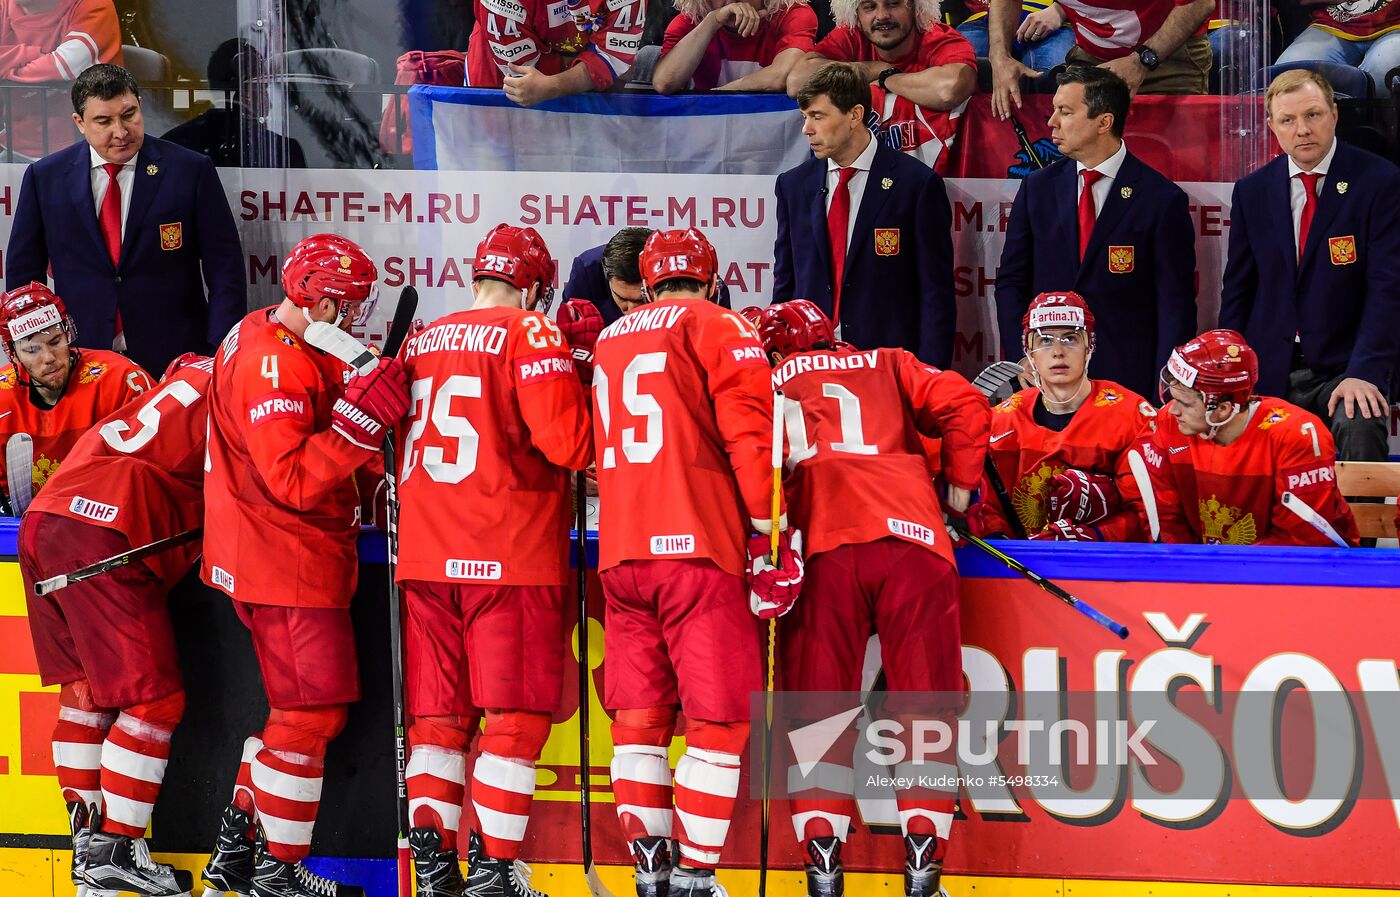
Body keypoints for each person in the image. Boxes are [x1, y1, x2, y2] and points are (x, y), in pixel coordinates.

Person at [592, 227, 801, 897]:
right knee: (718, 719)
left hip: (622, 550)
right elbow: (750, 435)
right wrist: (770, 531)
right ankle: (693, 875)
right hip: (695, 550)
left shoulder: (608, 338)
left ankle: (651, 873)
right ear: (712, 279)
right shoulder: (721, 324)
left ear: (647, 284)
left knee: (639, 720)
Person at [199, 234, 409, 897]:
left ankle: (238, 849)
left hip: (266, 557)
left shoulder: (265, 333)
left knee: (297, 711)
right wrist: (358, 425)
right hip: (284, 564)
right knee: (311, 714)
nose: (355, 320)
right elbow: (290, 476)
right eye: (347, 307)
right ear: (318, 302)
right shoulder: (273, 364)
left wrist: (350, 388)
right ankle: (277, 873)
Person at [756, 299, 988, 897]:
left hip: (826, 546)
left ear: (776, 351)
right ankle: (923, 859)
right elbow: (966, 404)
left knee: (818, 713)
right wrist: (959, 496)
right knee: (925, 709)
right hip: (915, 542)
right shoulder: (888, 360)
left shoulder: (765, 380)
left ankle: (824, 862)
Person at [395, 224, 592, 897]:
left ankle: (436, 866)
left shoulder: (424, 337)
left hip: (424, 553)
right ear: (535, 285)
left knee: (436, 721)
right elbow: (568, 444)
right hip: (506, 552)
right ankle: (492, 869)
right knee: (513, 717)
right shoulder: (531, 332)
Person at [17, 352, 210, 897]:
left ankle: (89, 860)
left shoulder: (165, 392)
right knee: (155, 703)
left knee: (84, 695)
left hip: (42, 523)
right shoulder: (246, 384)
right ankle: (117, 850)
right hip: (102, 529)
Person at [6, 63, 246, 377]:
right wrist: (36, 353)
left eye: (128, 115)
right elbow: (24, 278)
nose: (120, 132)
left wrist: (220, 351)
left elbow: (225, 268)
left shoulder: (189, 170)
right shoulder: (45, 178)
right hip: (81, 358)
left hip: (176, 359)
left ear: (140, 106)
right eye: (104, 121)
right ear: (80, 122)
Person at [1218, 69, 1400, 464]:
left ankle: (1358, 528)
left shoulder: (1380, 181)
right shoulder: (1252, 191)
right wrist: (1228, 374)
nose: (1302, 129)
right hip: (1269, 367)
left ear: (1334, 114)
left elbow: (1389, 288)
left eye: (1313, 114)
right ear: (1272, 127)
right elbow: (1238, 291)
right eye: (1288, 120)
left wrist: (1366, 371)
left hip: (1345, 366)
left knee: (1360, 418)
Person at [995, 65, 1196, 400]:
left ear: (1104, 122)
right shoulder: (1036, 188)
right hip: (1046, 378)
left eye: (1065, 112)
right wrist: (1022, 356)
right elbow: (1012, 282)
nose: (1051, 123)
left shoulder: (1161, 199)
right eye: (1054, 110)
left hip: (1126, 381)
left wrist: (1166, 387)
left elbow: (1174, 304)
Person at [773, 63, 956, 367]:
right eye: (805, 117)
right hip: (810, 362)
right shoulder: (793, 186)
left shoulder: (916, 185)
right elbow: (786, 283)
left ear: (855, 116)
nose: (806, 128)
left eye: (818, 117)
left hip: (887, 364)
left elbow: (935, 293)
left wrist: (931, 376)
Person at [1139, 329, 1359, 546]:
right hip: (1214, 568)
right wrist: (1193, 567)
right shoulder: (1168, 422)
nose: (1173, 410)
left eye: (1185, 403)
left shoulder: (1296, 435)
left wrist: (1226, 571)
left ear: (1223, 409)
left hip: (1310, 570)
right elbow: (1167, 519)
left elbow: (1303, 539)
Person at [967, 290, 1155, 542]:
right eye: (1045, 340)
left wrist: (1097, 534)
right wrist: (1002, 543)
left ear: (1090, 345)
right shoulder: (1003, 419)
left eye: (1070, 338)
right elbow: (985, 506)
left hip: (1105, 568)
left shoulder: (1130, 414)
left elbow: (1148, 511)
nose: (1058, 351)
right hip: (1021, 568)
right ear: (1029, 351)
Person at [0, 281, 152, 505]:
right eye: (32, 350)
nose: (49, 357)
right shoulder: (3, 398)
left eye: (55, 341)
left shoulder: (121, 379)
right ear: (13, 355)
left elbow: (157, 470)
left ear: (68, 333)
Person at [785, 0, 976, 172]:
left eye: (893, 4)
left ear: (915, 8)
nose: (882, 15)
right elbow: (797, 82)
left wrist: (887, 78)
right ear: (856, 15)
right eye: (869, 7)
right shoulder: (851, 36)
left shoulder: (937, 37)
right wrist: (876, 69)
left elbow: (949, 90)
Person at [988, 0, 1213, 116]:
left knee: (1176, 166)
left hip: (1168, 55)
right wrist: (1000, 57)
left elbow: (1200, 3)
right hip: (1092, 53)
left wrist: (1142, 61)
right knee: (1081, 160)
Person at [0, 0, 122, 159]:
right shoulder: (3, 6)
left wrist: (5, 71)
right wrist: (31, 54)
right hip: (12, 145)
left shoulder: (92, 4)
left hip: (89, 147)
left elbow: (65, 65)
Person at [465, 0, 646, 106]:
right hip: (496, 84)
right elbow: (526, 78)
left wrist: (609, 63)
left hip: (588, 92)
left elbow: (613, 58)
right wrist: (594, 63)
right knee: (494, 164)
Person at [162, 37, 307, 168]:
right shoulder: (284, 152)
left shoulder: (172, 146)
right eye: (262, 88)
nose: (269, 104)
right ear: (244, 93)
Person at [564, 226, 730, 327]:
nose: (632, 312)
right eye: (622, 299)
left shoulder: (703, 287)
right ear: (606, 279)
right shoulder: (586, 272)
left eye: (640, 300)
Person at [651, 0, 817, 93]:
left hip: (770, 133)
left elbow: (781, 77)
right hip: (708, 134)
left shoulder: (794, 14)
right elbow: (665, 82)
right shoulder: (690, 22)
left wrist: (718, 95)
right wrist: (713, 21)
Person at [1275, 2, 1400, 99]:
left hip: (1395, 24)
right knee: (1285, 79)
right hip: (1330, 23)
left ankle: (1372, 129)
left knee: (1383, 73)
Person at [956, 1, 1073, 74]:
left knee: (1052, 72)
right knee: (963, 70)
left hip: (1055, 20)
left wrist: (1059, 10)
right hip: (983, 18)